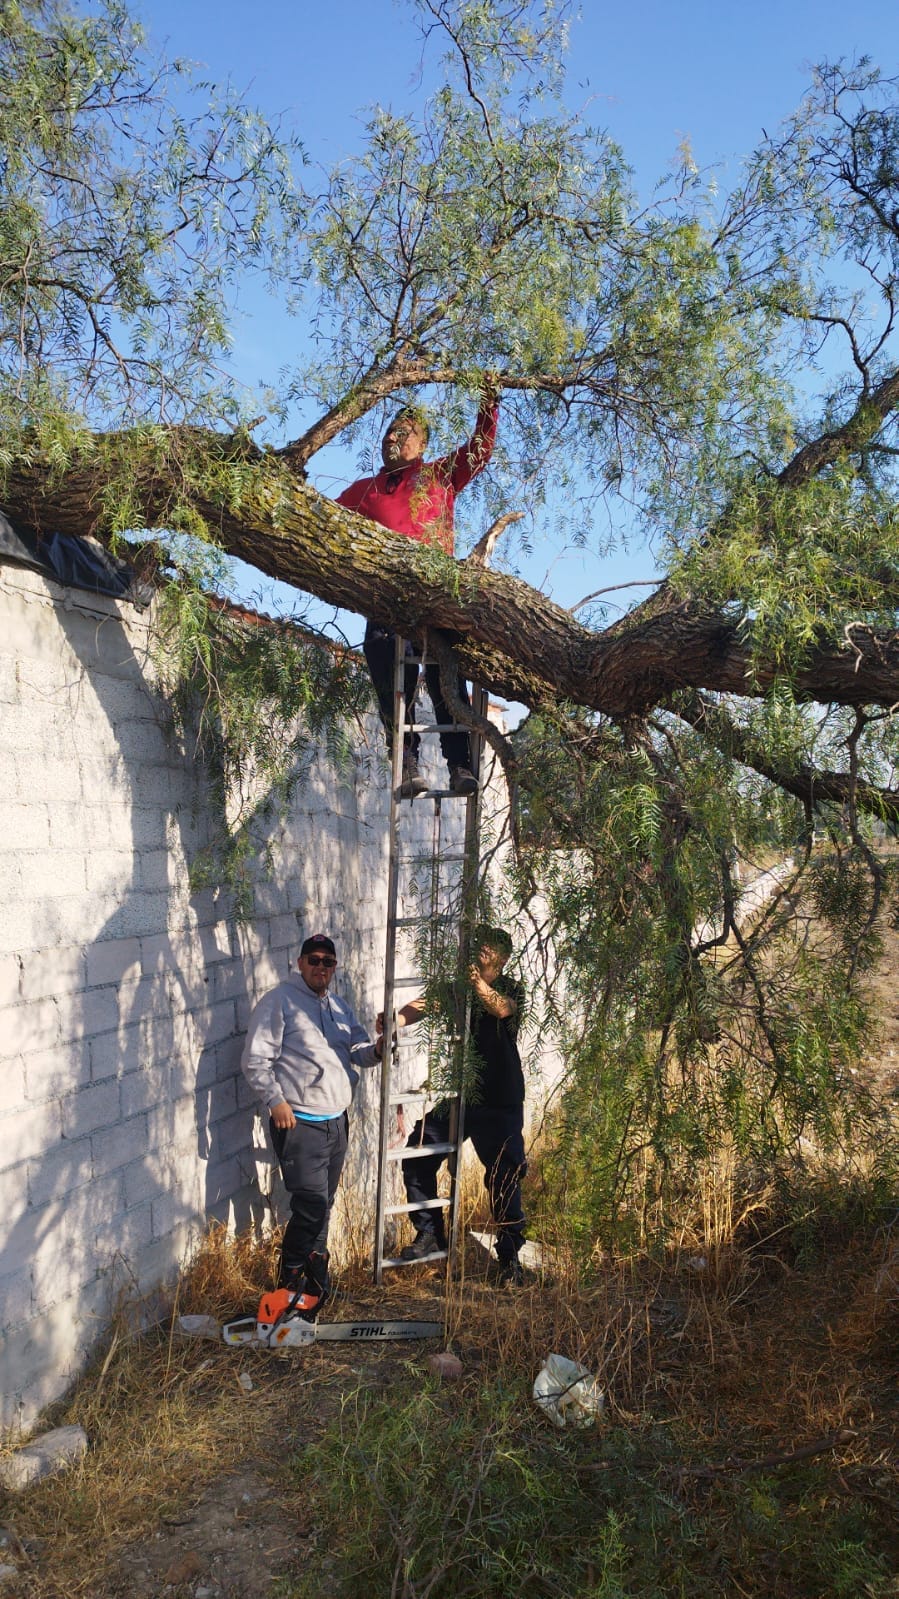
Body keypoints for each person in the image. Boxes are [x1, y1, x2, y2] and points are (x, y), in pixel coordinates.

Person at [336, 382, 499, 799]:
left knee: (449, 672)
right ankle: (406, 759)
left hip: (437, 594)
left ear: (422, 442)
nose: (391, 438)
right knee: (381, 650)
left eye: (402, 432)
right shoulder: (365, 491)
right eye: (388, 433)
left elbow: (479, 451)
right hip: (388, 599)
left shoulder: (438, 475)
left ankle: (459, 764)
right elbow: (323, 518)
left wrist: (490, 397)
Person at [240, 933, 383, 1318]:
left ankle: (315, 1288)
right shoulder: (279, 1002)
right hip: (301, 1123)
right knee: (310, 1207)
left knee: (324, 1206)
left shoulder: (337, 1006)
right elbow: (255, 1060)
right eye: (314, 959)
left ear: (334, 967)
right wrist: (276, 1101)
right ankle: (287, 1288)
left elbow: (358, 1051)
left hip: (336, 1122)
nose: (321, 967)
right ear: (300, 963)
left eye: (328, 962)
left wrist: (381, 1048)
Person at [379, 925, 527, 1287]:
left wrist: (478, 986)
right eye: (476, 947)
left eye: (487, 950)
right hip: (463, 1098)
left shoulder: (510, 988)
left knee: (504, 1177)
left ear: (502, 959)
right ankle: (429, 1233)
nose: (478, 954)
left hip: (500, 1102)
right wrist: (394, 1021)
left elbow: (504, 1009)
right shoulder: (457, 989)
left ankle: (510, 1258)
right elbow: (426, 1003)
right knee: (418, 1153)